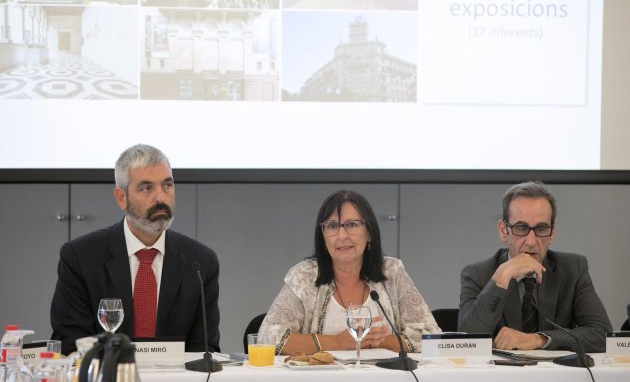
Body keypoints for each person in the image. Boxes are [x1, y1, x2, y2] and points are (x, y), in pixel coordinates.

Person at [50, 144, 220, 355]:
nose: (161, 197)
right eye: (147, 188)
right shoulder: (81, 257)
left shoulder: (200, 262)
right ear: (122, 198)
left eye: (167, 185)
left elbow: (204, 348)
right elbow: (70, 341)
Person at [259, 189, 440, 354]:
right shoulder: (303, 277)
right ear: (322, 237)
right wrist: (337, 342)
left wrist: (380, 342)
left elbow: (431, 336)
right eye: (331, 226)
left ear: (369, 232)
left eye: (352, 225)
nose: (342, 235)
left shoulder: (392, 273)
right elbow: (267, 338)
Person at [458, 181, 612, 353]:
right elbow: (466, 342)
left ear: (552, 233)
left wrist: (539, 339)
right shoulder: (478, 273)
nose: (531, 242)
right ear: (503, 231)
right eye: (521, 228)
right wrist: (502, 276)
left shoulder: (573, 269)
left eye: (541, 228)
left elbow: (603, 335)